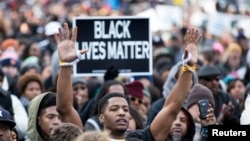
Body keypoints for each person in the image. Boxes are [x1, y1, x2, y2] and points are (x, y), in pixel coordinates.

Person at [55, 23, 201, 140]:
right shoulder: (89, 139)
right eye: (114, 109)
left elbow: (172, 108)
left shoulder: (141, 138)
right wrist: (65, 65)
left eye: (126, 110)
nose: (122, 113)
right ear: (101, 118)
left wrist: (188, 67)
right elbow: (64, 108)